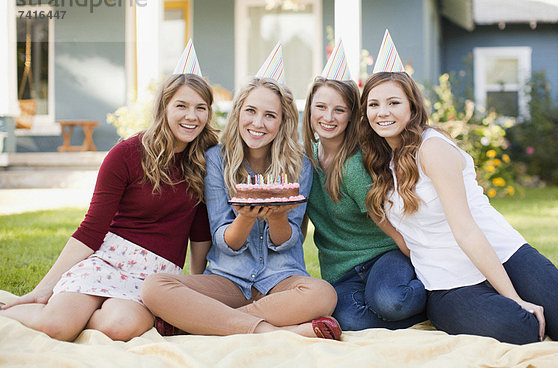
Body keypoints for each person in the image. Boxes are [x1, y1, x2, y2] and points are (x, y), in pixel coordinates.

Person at [357, 30, 558, 345]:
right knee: (521, 329)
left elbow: (467, 230)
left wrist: (512, 295)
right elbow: (409, 241)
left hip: (501, 256)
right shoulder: (379, 163)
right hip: (447, 283)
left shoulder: (432, 149)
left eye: (393, 102)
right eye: (374, 104)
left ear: (412, 107)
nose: (382, 112)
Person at [0, 59, 219, 341]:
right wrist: (42, 289)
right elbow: (91, 229)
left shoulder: (207, 160)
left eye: (200, 108)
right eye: (181, 106)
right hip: (107, 262)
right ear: (164, 108)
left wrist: (194, 286)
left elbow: (200, 233)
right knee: (56, 326)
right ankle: (37, 311)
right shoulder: (126, 154)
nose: (192, 116)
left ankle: (78, 315)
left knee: (119, 326)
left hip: (154, 278)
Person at [142, 44, 341, 340]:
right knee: (155, 287)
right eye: (250, 111)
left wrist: (277, 217)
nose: (258, 123)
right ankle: (278, 331)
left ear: (283, 121)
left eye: (270, 115)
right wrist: (245, 219)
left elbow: (289, 242)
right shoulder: (216, 160)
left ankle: (207, 324)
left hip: (281, 281)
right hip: (227, 279)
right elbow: (223, 242)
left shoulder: (300, 165)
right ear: (238, 113)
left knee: (323, 294)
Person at [302, 40, 426, 331]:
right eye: (320, 107)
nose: (328, 118)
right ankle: (390, 309)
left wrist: (428, 263)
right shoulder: (304, 161)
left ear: (353, 116)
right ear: (309, 110)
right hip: (342, 272)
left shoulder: (354, 166)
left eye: (339, 110)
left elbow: (390, 227)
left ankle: (433, 295)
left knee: (391, 301)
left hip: (384, 256)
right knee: (348, 320)